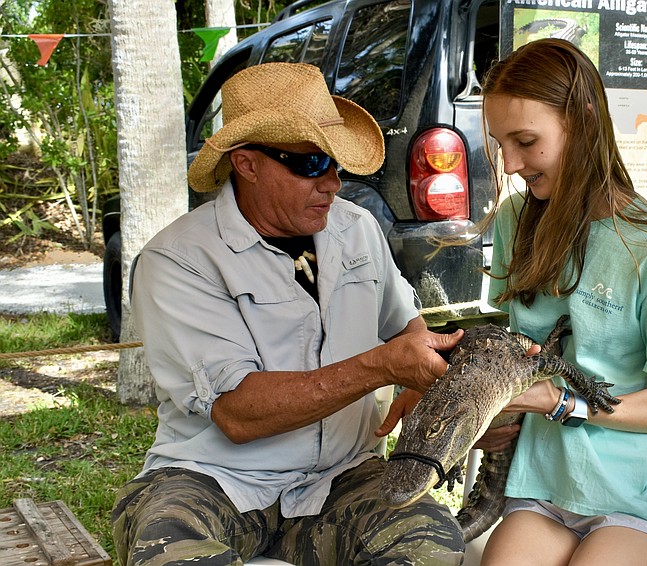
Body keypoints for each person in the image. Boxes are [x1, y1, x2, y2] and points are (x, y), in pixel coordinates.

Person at [111, 62, 466, 565]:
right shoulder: (178, 260)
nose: (333, 184)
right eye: (312, 164)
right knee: (168, 551)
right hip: (213, 479)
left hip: (343, 477)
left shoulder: (357, 229)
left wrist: (413, 372)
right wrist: (384, 365)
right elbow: (237, 413)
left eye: (336, 165)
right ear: (247, 164)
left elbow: (406, 325)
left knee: (431, 546)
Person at [473, 39, 647, 566]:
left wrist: (558, 402)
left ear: (582, 121)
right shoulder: (517, 221)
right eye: (501, 143)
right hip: (541, 486)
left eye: (526, 141)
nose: (510, 164)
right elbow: (511, 349)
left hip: (633, 500)